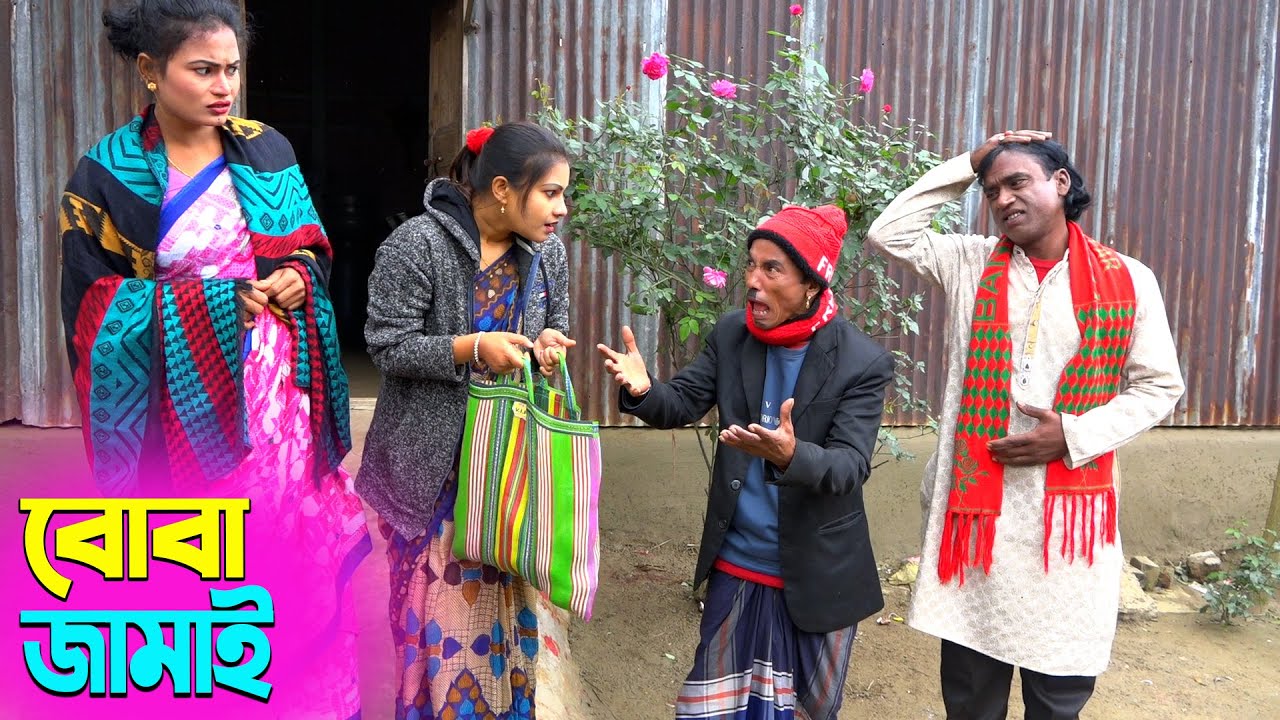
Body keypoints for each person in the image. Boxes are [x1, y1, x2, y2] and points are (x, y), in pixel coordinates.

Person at [60, 1, 369, 716]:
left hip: (279, 399)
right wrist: (208, 306)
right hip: (182, 407)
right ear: (149, 71)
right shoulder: (106, 175)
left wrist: (299, 271)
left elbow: (309, 243)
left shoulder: (265, 148)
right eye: (202, 70)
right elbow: (92, 310)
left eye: (230, 69)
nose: (222, 85)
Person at [865, 131, 1185, 719]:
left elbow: (1160, 386)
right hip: (976, 522)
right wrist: (973, 160)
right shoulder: (969, 263)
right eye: (993, 191)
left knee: (1058, 697)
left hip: (1066, 527)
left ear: (1060, 184)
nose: (1004, 198)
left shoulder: (1130, 280)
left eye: (1018, 182)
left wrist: (1074, 434)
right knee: (970, 698)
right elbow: (889, 232)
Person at [598, 205, 895, 719]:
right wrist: (644, 390)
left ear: (810, 284)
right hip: (737, 565)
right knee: (716, 710)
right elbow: (683, 402)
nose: (752, 282)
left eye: (771, 269)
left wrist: (791, 455)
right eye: (750, 266)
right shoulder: (733, 336)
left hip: (818, 575)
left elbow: (849, 467)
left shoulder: (860, 361)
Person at [357, 121, 575, 719]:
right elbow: (386, 344)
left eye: (564, 193)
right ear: (502, 188)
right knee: (436, 633)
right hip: (435, 478)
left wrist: (546, 348)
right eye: (551, 193)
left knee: (511, 628)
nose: (562, 208)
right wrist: (471, 348)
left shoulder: (548, 254)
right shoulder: (416, 245)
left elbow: (545, 330)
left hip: (508, 476)